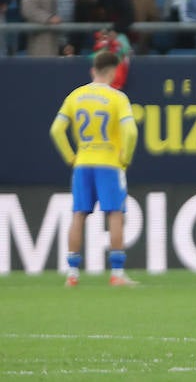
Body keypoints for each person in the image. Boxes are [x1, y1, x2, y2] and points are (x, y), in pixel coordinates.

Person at [50, 52, 138, 287]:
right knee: (115, 214)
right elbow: (130, 132)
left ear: (93, 71)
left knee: (79, 214)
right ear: (113, 72)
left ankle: (72, 274)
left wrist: (71, 157)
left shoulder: (76, 95)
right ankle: (117, 274)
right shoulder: (117, 98)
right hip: (109, 163)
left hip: (83, 163)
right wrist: (125, 158)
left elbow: (57, 130)